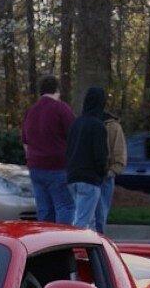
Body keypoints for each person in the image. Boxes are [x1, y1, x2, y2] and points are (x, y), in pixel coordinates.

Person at [22, 75, 75, 225]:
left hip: (35, 166)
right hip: (58, 165)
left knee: (44, 209)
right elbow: (74, 136)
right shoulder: (61, 109)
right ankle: (63, 242)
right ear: (57, 90)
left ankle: (46, 243)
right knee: (64, 206)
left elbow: (25, 141)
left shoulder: (30, 111)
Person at [65, 86, 109, 232]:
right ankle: (74, 249)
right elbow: (100, 155)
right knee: (83, 221)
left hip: (73, 176)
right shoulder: (98, 127)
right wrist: (102, 173)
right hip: (90, 178)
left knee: (88, 220)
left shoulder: (75, 124)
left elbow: (68, 149)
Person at [96, 106, 127, 235]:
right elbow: (120, 152)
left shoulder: (112, 126)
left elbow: (119, 152)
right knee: (99, 214)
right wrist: (114, 169)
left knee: (94, 214)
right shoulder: (113, 126)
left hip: (100, 174)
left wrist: (113, 170)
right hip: (103, 173)